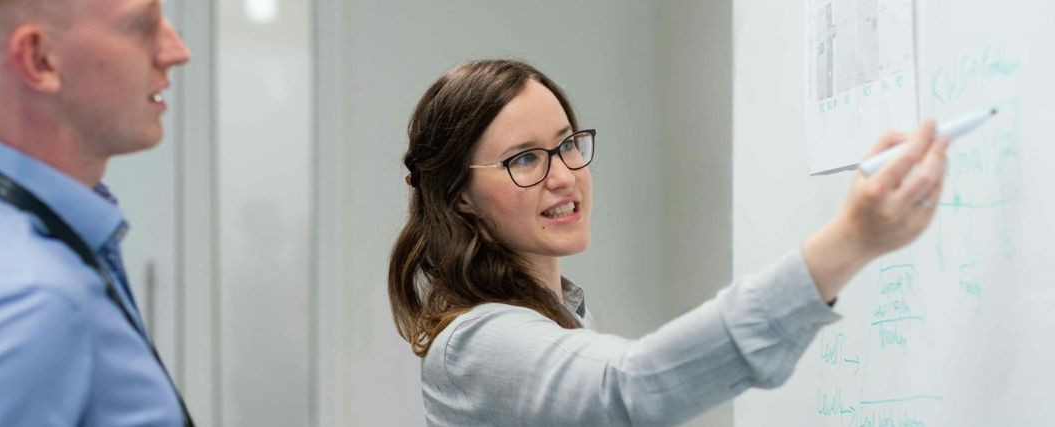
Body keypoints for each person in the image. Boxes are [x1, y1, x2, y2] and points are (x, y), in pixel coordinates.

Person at [388, 59, 947, 426]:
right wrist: (848, 241)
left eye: (567, 145)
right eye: (525, 159)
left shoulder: (565, 314)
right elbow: (627, 389)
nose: (563, 176)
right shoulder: (475, 343)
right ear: (460, 195)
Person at [0, 0, 192, 424]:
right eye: (142, 24)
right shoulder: (16, 302)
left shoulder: (9, 232)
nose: (176, 51)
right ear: (39, 60)